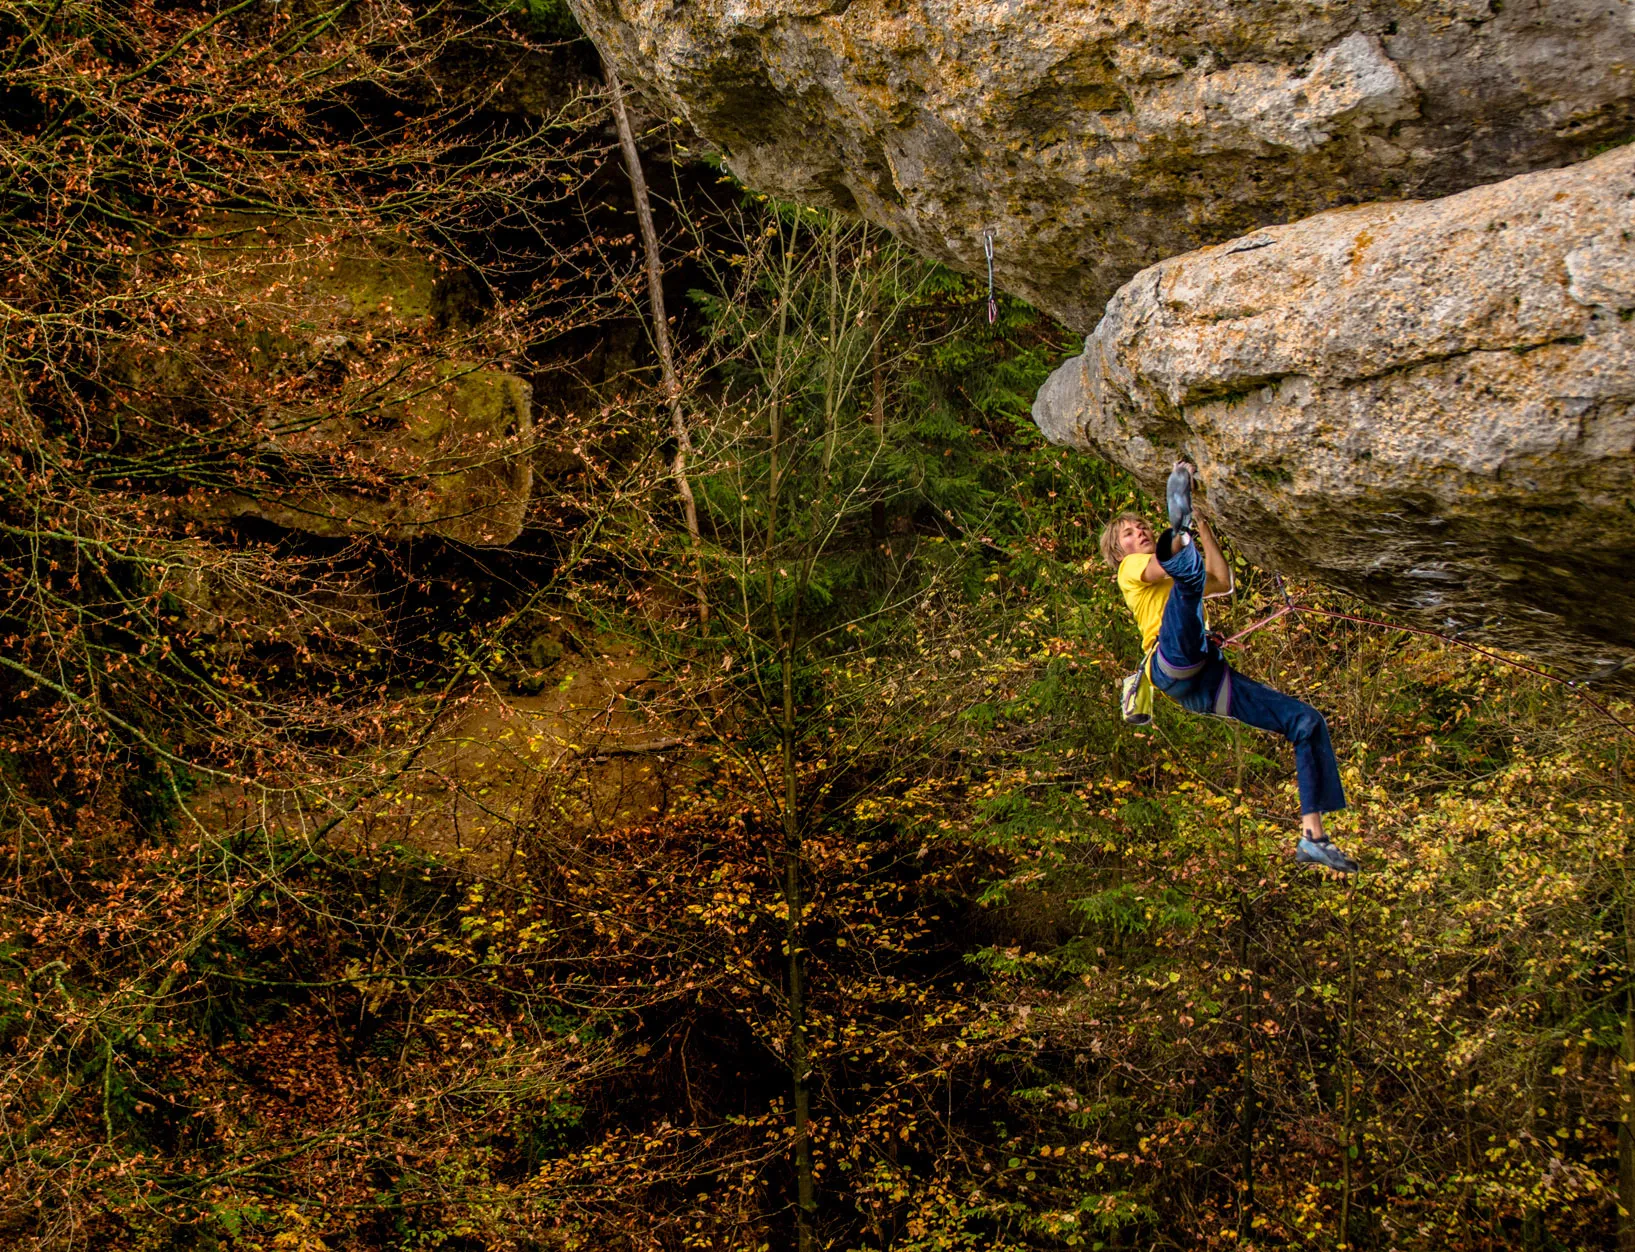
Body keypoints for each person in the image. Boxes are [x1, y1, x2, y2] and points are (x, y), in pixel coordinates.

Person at [1099, 463, 1359, 873]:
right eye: (1129, 533)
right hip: (1171, 661)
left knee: (1306, 722)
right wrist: (1179, 539)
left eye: (1142, 527)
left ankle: (1314, 836)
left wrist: (1201, 523)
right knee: (1185, 584)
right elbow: (1162, 568)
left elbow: (1222, 580)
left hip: (1206, 681)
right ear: (1119, 550)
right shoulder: (1130, 570)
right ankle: (1178, 527)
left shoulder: (1171, 567)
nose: (1139, 533)